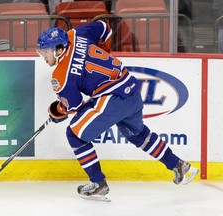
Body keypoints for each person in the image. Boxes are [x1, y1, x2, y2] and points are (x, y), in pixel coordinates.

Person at [36, 21, 199, 201]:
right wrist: (104, 52)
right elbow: (104, 28)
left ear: (59, 49)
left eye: (45, 51)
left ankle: (98, 183)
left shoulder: (61, 74)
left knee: (74, 134)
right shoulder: (75, 34)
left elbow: (73, 107)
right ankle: (179, 166)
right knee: (138, 135)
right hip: (131, 90)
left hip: (111, 100)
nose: (42, 56)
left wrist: (56, 111)